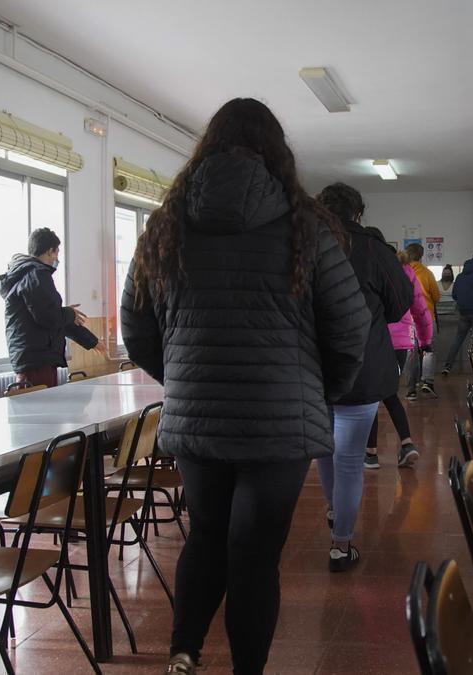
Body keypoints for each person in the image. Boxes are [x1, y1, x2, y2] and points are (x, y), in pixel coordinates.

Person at [121, 99, 370, 675]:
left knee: (206, 534)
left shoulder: (166, 224)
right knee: (254, 556)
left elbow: (134, 326)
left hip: (198, 422)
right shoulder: (306, 226)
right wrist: (317, 390)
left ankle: (183, 650)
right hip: (279, 426)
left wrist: (185, 379)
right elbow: (350, 326)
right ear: (274, 151)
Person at [315, 183, 412, 572]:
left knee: (323, 448)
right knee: (351, 459)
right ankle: (341, 545)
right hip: (362, 367)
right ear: (357, 213)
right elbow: (400, 302)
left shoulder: (302, 247)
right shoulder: (373, 248)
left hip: (313, 370)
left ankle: (335, 509)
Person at [0, 228, 103, 389]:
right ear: (49, 251)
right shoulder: (36, 274)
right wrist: (67, 313)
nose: (57, 258)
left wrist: (91, 341)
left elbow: (55, 318)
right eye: (56, 253)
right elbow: (50, 317)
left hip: (32, 359)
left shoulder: (25, 274)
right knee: (41, 411)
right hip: (37, 360)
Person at [365, 246, 433, 469]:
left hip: (377, 339)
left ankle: (372, 453)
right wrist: (425, 340)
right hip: (402, 343)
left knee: (374, 394)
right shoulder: (408, 272)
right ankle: (406, 444)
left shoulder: (374, 269)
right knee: (388, 392)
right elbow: (421, 309)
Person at [440, 256, 473, 375]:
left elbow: (455, 295)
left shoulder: (460, 277)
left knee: (458, 339)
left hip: (463, 313)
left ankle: (447, 366)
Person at [405, 243, 441, 394]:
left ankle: (411, 389)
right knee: (428, 351)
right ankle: (427, 382)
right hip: (426, 318)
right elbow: (437, 296)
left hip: (408, 319)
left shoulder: (402, 272)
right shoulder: (427, 273)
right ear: (421, 256)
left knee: (411, 353)